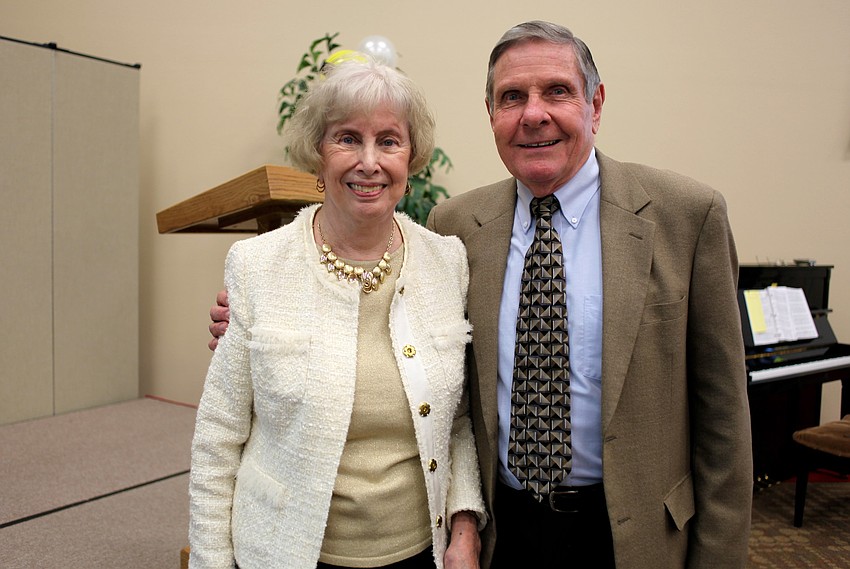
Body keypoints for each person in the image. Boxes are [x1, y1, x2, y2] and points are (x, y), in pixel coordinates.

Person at [211, 20, 753, 569]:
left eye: (557, 91)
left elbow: (724, 421)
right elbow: (445, 378)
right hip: (502, 533)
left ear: (596, 103)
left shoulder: (686, 216)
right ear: (491, 113)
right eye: (511, 97)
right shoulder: (458, 229)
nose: (533, 114)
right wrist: (254, 323)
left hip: (634, 537)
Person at [190, 57, 486, 569]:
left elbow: (456, 421)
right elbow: (219, 437)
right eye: (347, 138)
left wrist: (464, 523)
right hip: (289, 551)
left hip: (421, 551)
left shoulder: (447, 262)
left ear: (410, 158)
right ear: (317, 156)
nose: (368, 161)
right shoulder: (258, 266)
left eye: (389, 141)